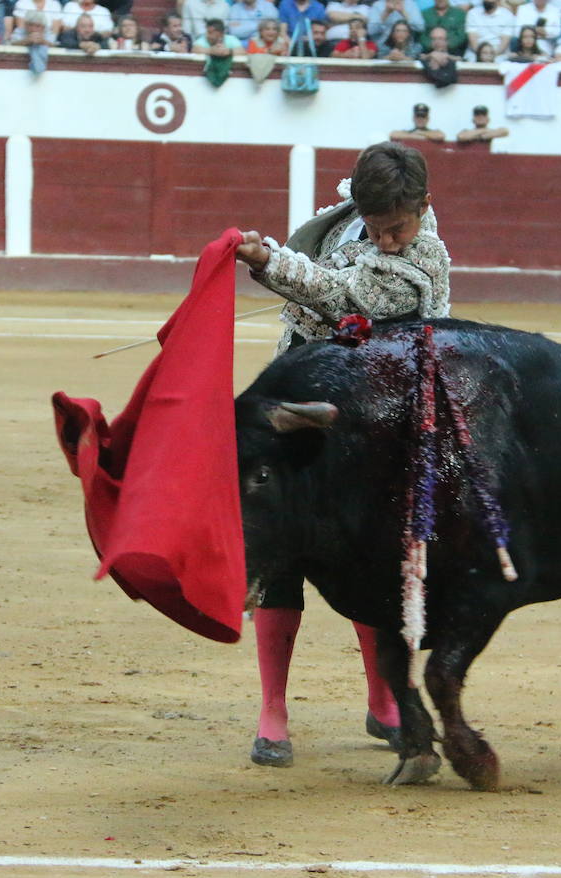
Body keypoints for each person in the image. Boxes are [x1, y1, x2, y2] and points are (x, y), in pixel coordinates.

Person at [232, 142, 451, 768]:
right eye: (377, 228)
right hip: (297, 405)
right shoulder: (344, 219)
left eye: (398, 229)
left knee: (368, 561)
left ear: (423, 208)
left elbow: (339, 294)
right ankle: (273, 709)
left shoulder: (423, 258)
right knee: (279, 553)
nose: (387, 241)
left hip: (370, 426)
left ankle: (382, 698)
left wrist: (268, 259)